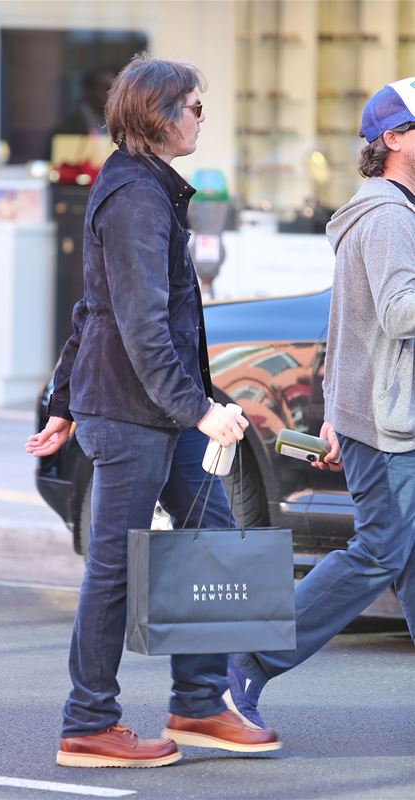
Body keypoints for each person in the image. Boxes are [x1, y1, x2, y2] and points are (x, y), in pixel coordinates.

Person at [27, 54, 281, 768]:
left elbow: (93, 308)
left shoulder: (146, 187)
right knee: (115, 565)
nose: (202, 117)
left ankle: (197, 703)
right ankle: (87, 723)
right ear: (159, 115)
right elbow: (137, 325)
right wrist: (200, 409)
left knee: (209, 536)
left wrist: (63, 400)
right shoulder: (136, 196)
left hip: (148, 407)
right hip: (135, 411)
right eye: (195, 106)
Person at [226, 76, 415, 730]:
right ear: (394, 139)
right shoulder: (388, 218)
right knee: (379, 552)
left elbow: (344, 326)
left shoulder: (388, 212)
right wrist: (345, 412)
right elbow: (397, 313)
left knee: (403, 555)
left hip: (381, 417)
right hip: (390, 428)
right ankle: (247, 661)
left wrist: (335, 409)